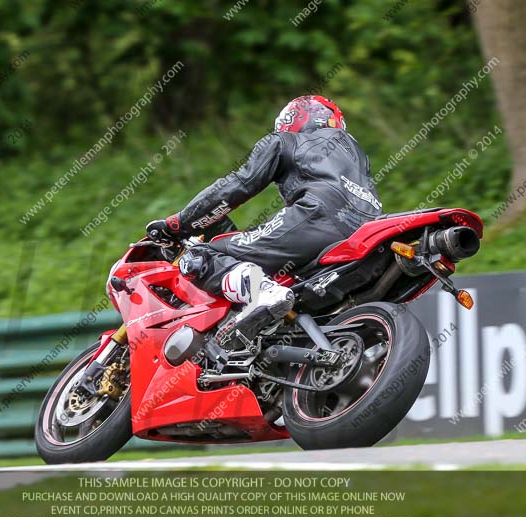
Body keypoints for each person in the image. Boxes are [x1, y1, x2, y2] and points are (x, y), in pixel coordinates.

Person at [146, 95, 382, 349]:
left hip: (316, 218)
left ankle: (264, 293)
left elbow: (238, 185)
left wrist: (178, 223)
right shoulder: (356, 155)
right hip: (369, 232)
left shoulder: (287, 140)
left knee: (200, 258)